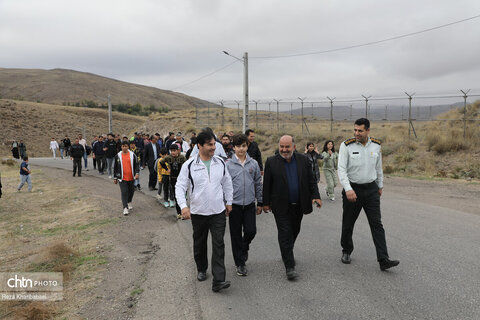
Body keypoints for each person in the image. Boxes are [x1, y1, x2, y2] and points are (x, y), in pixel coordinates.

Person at [338, 118, 399, 271]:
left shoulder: (376, 145)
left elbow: (379, 168)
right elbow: (341, 170)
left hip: (371, 189)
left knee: (377, 224)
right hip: (353, 189)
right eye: (355, 130)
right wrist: (348, 189)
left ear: (368, 131)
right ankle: (346, 250)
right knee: (348, 223)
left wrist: (380, 185)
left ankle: (383, 259)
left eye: (360, 130)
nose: (356, 133)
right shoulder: (346, 146)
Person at [175, 130, 233, 292]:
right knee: (199, 243)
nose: (214, 147)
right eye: (210, 144)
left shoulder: (220, 163)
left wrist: (229, 202)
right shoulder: (190, 165)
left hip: (218, 212)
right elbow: (179, 186)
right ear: (199, 145)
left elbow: (227, 182)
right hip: (199, 212)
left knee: (218, 244)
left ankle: (218, 280)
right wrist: (183, 206)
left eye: (214, 144)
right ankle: (201, 268)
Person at [263, 135, 322, 280]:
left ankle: (286, 252)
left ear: (293, 147)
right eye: (281, 147)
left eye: (287, 147)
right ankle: (289, 266)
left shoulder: (303, 160)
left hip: (299, 205)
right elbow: (267, 185)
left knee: (294, 230)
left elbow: (311, 180)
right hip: (280, 206)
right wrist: (265, 203)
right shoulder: (271, 162)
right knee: (285, 233)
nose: (284, 150)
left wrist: (316, 196)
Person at [226, 134, 263, 276]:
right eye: (238, 146)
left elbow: (258, 184)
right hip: (233, 206)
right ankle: (240, 263)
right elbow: (224, 186)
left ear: (247, 146)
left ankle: (244, 246)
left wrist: (260, 202)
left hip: (249, 205)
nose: (241, 149)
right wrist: (226, 204)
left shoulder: (253, 164)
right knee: (235, 235)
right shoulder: (228, 165)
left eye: (244, 146)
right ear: (233, 147)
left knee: (251, 231)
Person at [159, 144, 186, 218]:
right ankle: (179, 213)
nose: (173, 152)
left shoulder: (182, 157)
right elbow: (161, 162)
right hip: (173, 178)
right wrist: (167, 169)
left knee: (182, 195)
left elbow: (187, 165)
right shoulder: (168, 158)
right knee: (176, 196)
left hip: (181, 179)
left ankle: (183, 210)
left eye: (174, 151)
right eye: (171, 151)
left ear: (178, 150)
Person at [113, 141, 140, 216]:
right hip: (122, 178)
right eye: (123, 146)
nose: (124, 148)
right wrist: (115, 177)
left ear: (128, 147)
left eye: (126, 146)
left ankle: (129, 201)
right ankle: (125, 207)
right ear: (121, 147)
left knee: (131, 191)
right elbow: (115, 167)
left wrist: (137, 173)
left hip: (131, 177)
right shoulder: (118, 156)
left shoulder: (132, 155)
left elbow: (137, 164)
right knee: (124, 192)